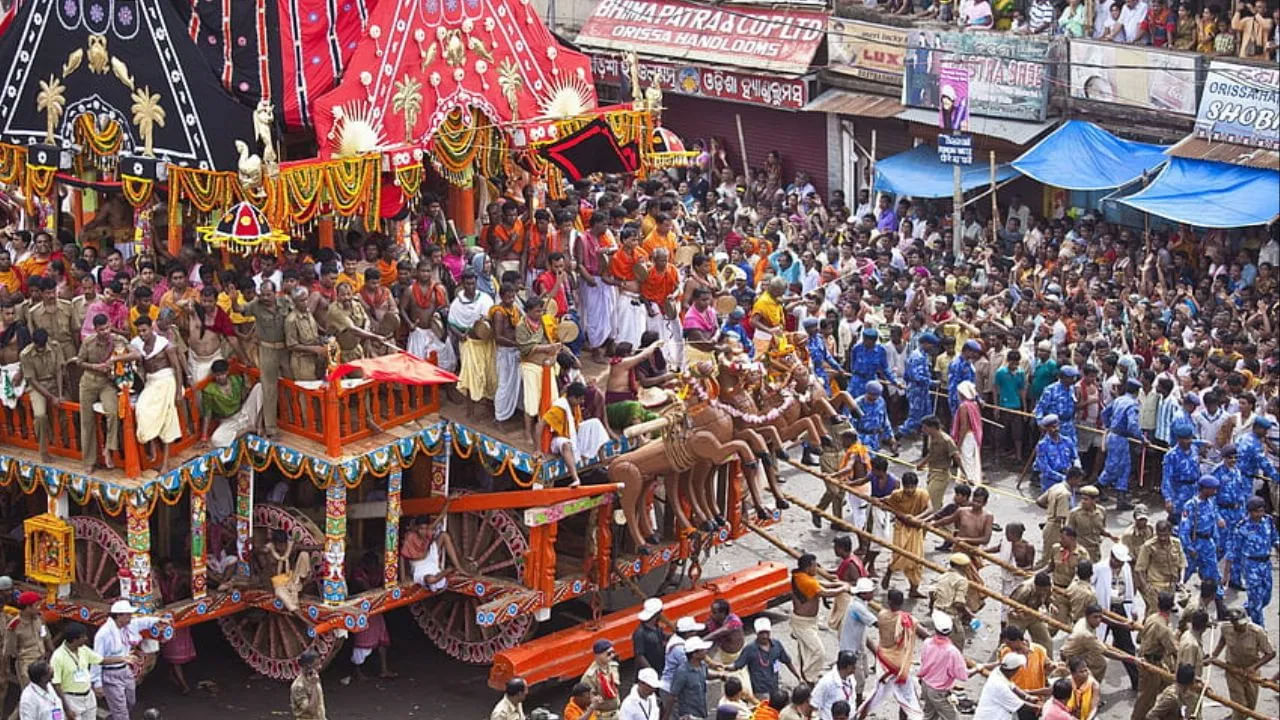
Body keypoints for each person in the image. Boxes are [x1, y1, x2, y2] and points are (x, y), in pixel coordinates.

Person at [856, 589, 925, 720]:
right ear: (902, 602)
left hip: (883, 663)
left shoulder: (882, 615)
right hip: (901, 664)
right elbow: (924, 634)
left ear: (889, 602)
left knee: (877, 693)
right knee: (906, 697)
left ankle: (860, 716)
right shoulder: (909, 620)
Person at [130, 315, 185, 472]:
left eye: (144, 330)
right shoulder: (136, 345)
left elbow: (177, 368)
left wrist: (179, 392)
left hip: (167, 380)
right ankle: (153, 444)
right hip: (151, 382)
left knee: (168, 418)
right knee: (141, 409)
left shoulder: (165, 345)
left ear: (151, 328)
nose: (142, 334)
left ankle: (166, 463)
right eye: (139, 331)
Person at [93, 600, 159, 720]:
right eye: (128, 614)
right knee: (121, 710)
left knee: (131, 701)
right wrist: (97, 682)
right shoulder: (104, 634)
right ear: (119, 616)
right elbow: (96, 659)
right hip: (111, 674)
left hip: (125, 671)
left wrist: (159, 620)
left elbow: (141, 622)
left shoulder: (127, 626)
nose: (131, 617)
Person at [536, 381, 610, 487]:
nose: (582, 401)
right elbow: (539, 425)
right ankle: (575, 478)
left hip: (573, 433)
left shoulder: (574, 404)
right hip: (557, 438)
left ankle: (603, 460)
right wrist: (538, 449)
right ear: (572, 397)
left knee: (595, 423)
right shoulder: (559, 407)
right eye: (580, 399)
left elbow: (577, 423)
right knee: (567, 444)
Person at [918, 612, 989, 720]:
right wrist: (977, 668)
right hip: (939, 691)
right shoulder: (952, 651)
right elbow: (964, 675)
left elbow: (923, 661)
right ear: (950, 631)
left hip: (926, 685)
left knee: (929, 716)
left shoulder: (927, 643)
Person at [1210, 608, 1276, 720]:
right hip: (1233, 671)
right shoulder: (1226, 628)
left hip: (1251, 673)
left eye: (1243, 623)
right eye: (1238, 625)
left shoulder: (1257, 632)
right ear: (1232, 623)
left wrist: (1254, 667)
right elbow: (1223, 640)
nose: (1242, 627)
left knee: (1250, 707)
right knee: (1240, 706)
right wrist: (1214, 655)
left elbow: (1271, 653)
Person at [790, 553, 846, 684]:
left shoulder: (802, 576)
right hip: (802, 623)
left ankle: (806, 675)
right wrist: (844, 588)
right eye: (815, 566)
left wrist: (839, 584)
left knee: (806, 651)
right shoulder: (805, 580)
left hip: (809, 622)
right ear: (808, 567)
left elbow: (823, 585)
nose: (817, 569)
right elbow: (824, 592)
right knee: (818, 651)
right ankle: (809, 678)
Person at [1225, 497, 1280, 625]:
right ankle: (1260, 630)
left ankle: (1243, 610)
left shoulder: (1268, 521)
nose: (1260, 514)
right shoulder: (1242, 527)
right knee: (1256, 602)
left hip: (1266, 565)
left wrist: (1277, 545)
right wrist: (1227, 573)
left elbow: (1274, 537)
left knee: (1266, 598)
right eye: (1257, 512)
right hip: (1251, 566)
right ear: (1250, 511)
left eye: (1262, 511)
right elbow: (1233, 550)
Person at [51, 622, 124, 720]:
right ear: (74, 640)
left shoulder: (83, 649)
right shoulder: (57, 657)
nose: (86, 638)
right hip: (72, 700)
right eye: (83, 637)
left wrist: (123, 659)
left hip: (89, 697)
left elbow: (101, 660)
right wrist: (67, 709)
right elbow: (56, 685)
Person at [879, 472, 930, 596]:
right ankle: (890, 571)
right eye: (907, 487)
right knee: (899, 555)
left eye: (912, 487)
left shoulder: (922, 494)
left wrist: (916, 518)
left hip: (915, 529)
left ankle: (914, 589)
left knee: (917, 561)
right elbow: (885, 502)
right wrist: (880, 503)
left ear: (916, 486)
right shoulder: (897, 495)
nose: (910, 490)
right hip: (901, 527)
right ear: (903, 486)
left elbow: (930, 509)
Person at [5, 591, 52, 720]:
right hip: (26, 666)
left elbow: (46, 636)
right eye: (36, 605)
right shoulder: (14, 626)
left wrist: (50, 652)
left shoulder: (39, 618)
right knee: (30, 697)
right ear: (27, 607)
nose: (39, 608)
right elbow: (10, 650)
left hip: (42, 661)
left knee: (44, 695)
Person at [18, 328, 62, 462]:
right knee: (40, 415)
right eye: (39, 346)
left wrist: (59, 394)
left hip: (54, 382)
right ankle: (43, 451)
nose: (41, 349)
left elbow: (59, 370)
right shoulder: (25, 354)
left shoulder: (55, 346)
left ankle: (64, 443)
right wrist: (51, 397)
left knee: (67, 410)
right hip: (37, 386)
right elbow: (32, 380)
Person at [1098, 378, 1142, 509]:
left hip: (1114, 435)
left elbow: (1104, 413)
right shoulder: (1133, 405)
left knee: (1125, 467)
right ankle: (1097, 487)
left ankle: (1121, 499)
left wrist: (1108, 425)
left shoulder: (1119, 400)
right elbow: (1132, 425)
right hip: (1120, 438)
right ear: (1137, 392)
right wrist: (1142, 439)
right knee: (1113, 467)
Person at [199, 360, 264, 447]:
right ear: (214, 375)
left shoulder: (236, 380)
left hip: (243, 413)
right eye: (217, 375)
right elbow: (207, 413)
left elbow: (245, 397)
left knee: (259, 387)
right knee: (216, 439)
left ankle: (259, 426)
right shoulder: (209, 390)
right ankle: (247, 430)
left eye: (223, 374)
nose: (221, 377)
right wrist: (204, 437)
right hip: (228, 421)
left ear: (227, 372)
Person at [733, 618, 800, 702]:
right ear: (756, 633)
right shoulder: (749, 649)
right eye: (761, 633)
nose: (765, 636)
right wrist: (722, 668)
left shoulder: (776, 645)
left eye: (766, 633)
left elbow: (787, 661)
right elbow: (737, 665)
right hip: (760, 691)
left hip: (775, 687)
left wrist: (798, 677)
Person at [400, 514, 463, 590]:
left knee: (444, 535)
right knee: (430, 579)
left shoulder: (427, 532)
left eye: (426, 528)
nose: (423, 531)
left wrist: (447, 504)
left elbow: (439, 519)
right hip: (419, 566)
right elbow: (402, 556)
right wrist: (403, 579)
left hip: (430, 557)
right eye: (421, 529)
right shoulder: (410, 537)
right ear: (416, 528)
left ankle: (458, 567)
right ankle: (447, 571)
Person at [972, 653, 1040, 720]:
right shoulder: (999, 686)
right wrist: (1039, 708)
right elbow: (1021, 705)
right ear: (1014, 670)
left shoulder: (999, 671)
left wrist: (1027, 697)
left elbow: (1012, 686)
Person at [1060, 605, 1108, 683]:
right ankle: (1088, 686)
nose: (1098, 620)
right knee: (1083, 672)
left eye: (1100, 617)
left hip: (1083, 651)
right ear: (1087, 617)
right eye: (1095, 617)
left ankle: (1091, 684)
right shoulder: (1085, 634)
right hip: (1070, 656)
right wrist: (1130, 659)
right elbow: (1106, 652)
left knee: (1101, 662)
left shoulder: (1083, 620)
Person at [1033, 415, 1079, 493]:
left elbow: (1074, 457)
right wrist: (1063, 478)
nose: (1055, 429)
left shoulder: (1067, 441)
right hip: (1051, 483)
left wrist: (1076, 470)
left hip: (1068, 480)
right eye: (1052, 427)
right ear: (1046, 428)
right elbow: (1045, 469)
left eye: (1056, 426)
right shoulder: (1042, 445)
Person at [580, 639, 620, 720]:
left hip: (616, 712)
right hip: (602, 716)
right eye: (608, 654)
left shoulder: (613, 667)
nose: (612, 655)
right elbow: (585, 701)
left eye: (613, 652)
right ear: (598, 655)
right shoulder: (589, 676)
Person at [633, 598, 667, 675]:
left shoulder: (657, 628)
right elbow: (639, 656)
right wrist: (652, 673)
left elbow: (663, 639)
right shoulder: (640, 633)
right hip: (648, 675)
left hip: (660, 669)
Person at [289, 649, 326, 720]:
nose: (319, 667)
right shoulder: (299, 686)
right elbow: (310, 710)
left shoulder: (313, 679)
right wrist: (314, 686)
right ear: (308, 666)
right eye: (316, 665)